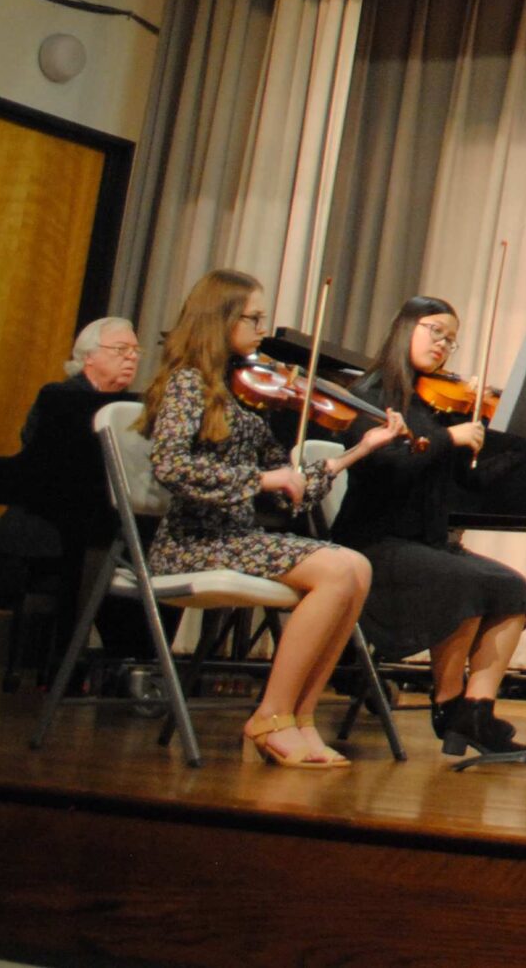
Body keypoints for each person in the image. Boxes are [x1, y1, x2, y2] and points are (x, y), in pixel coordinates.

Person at [138, 269, 405, 768]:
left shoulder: (241, 394)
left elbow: (288, 488)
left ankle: (301, 719)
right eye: (254, 318)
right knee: (336, 569)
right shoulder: (187, 384)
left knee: (357, 568)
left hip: (236, 537)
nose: (264, 329)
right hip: (192, 542)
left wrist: (359, 451)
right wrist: (263, 482)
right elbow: (171, 465)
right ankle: (271, 716)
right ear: (220, 319)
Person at [330, 295, 526, 757]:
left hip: (423, 544)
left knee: (511, 588)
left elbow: (472, 482)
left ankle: (475, 710)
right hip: (372, 545)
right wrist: (447, 439)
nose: (444, 345)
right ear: (406, 328)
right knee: (464, 582)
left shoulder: (439, 405)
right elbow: (382, 466)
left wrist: (525, 446)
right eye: (435, 331)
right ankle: (446, 702)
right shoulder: (368, 394)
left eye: (451, 340)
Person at [0, 317, 150, 673]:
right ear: (88, 356)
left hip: (97, 517)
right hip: (41, 519)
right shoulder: (60, 399)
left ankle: (137, 664)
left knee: (137, 547)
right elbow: (42, 466)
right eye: (121, 350)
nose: (132, 358)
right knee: (96, 547)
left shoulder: (137, 411)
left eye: (136, 351)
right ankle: (69, 667)